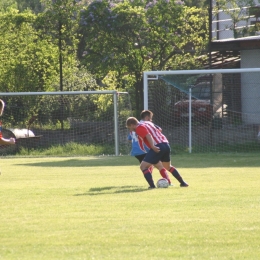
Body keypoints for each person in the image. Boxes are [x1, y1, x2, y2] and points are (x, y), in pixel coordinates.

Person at [126, 117, 188, 189]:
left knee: (143, 166)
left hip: (157, 147)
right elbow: (159, 130)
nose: (130, 129)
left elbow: (148, 135)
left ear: (132, 125)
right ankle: (183, 183)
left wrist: (152, 146)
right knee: (167, 166)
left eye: (129, 127)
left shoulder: (139, 128)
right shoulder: (148, 123)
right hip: (165, 144)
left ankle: (152, 186)